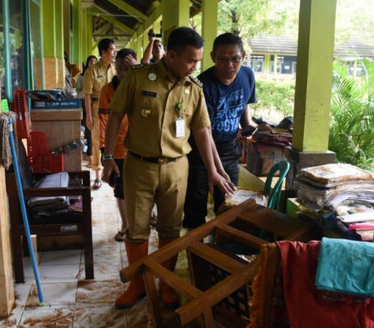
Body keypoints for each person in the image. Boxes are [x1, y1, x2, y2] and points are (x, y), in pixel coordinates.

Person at [102, 27, 236, 309]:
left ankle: (166, 283)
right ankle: (138, 285)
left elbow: (202, 131)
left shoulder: (194, 89)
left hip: (177, 168)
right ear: (172, 55)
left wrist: (213, 170)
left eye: (198, 62)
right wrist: (107, 156)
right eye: (191, 61)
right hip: (139, 166)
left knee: (170, 229)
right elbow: (115, 116)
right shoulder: (138, 78)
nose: (195, 67)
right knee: (136, 230)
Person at [183, 33, 257, 229]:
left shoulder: (247, 75)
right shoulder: (201, 85)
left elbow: (244, 101)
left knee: (228, 206)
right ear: (213, 57)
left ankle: (220, 253)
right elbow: (204, 132)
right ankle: (196, 254)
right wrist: (213, 170)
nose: (230, 66)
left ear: (243, 55)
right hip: (201, 152)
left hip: (229, 151)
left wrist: (246, 124)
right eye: (223, 59)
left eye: (235, 59)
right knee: (195, 210)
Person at [98, 48, 138, 242]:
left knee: (141, 189)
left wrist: (137, 72)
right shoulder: (108, 90)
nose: (124, 74)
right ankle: (125, 225)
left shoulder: (143, 85)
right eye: (120, 69)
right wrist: (107, 153)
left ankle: (142, 219)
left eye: (129, 69)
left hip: (141, 147)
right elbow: (105, 121)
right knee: (121, 189)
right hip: (119, 149)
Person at [82, 39, 116, 189]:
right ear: (103, 52)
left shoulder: (116, 69)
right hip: (96, 109)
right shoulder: (92, 71)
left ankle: (114, 170)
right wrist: (88, 117)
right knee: (96, 141)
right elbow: (87, 95)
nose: (114, 53)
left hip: (114, 109)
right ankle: (97, 175)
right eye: (112, 50)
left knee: (115, 139)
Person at [76, 55, 98, 159]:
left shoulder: (99, 75)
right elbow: (78, 91)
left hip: (98, 105)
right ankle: (89, 152)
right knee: (88, 128)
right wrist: (87, 93)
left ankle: (97, 151)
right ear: (87, 64)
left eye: (95, 61)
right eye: (91, 61)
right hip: (86, 104)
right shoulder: (81, 76)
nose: (93, 63)